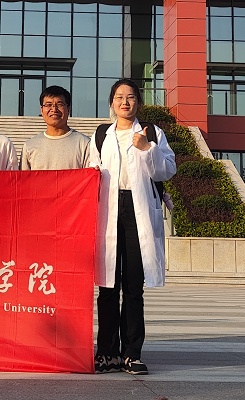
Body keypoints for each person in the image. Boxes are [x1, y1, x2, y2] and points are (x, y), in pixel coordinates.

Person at [90, 78, 176, 375]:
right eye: (119, 97)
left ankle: (131, 354)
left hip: (137, 211)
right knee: (107, 286)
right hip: (108, 210)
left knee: (133, 286)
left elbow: (167, 169)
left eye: (130, 97)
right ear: (111, 103)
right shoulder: (101, 135)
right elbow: (90, 171)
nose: (125, 102)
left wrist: (148, 149)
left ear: (138, 102)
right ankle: (106, 353)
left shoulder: (152, 133)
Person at [21, 86, 90, 170]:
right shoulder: (29, 146)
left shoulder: (84, 144)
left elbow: (89, 177)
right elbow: (24, 178)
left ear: (68, 109)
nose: (54, 109)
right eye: (48, 105)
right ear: (42, 110)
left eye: (60, 104)